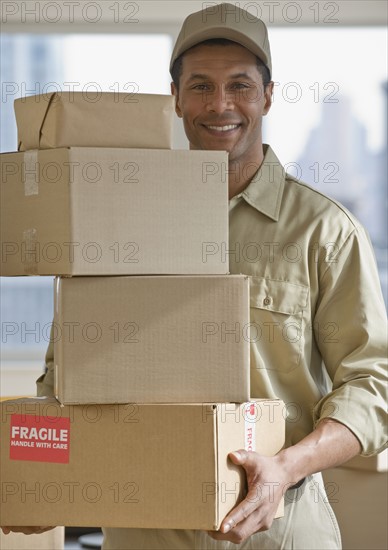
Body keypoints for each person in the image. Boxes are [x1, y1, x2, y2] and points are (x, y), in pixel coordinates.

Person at [2, 3, 387, 549]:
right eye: (201, 86)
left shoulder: (324, 232)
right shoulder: (117, 223)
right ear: (176, 98)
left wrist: (285, 467)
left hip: (279, 532)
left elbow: (373, 386)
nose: (221, 104)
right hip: (145, 532)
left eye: (241, 86)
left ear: (268, 96)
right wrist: (43, 478)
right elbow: (64, 376)